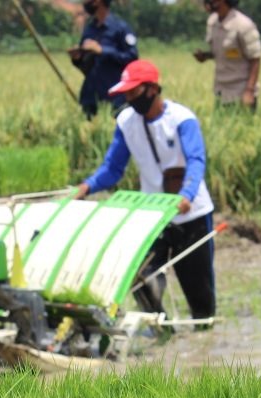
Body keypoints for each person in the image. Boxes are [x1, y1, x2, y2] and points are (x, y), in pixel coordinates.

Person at [74, 60, 216, 321]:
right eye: (125, 93)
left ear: (151, 89)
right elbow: (113, 168)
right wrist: (86, 186)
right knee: (142, 277)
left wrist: (187, 195)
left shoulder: (182, 119)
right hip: (153, 215)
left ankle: (203, 331)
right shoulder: (126, 122)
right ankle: (160, 328)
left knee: (199, 290)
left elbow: (196, 160)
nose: (128, 98)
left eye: (133, 92)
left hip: (191, 212)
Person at [68, 0, 138, 119]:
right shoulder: (89, 29)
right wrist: (77, 58)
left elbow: (132, 57)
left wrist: (102, 50)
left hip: (115, 96)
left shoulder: (120, 28)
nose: (85, 3)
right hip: (90, 95)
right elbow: (85, 65)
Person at [192, 0, 261, 110]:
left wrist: (249, 91)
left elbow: (255, 59)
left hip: (241, 92)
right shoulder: (212, 22)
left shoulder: (243, 25)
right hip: (221, 91)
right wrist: (204, 56)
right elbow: (219, 52)